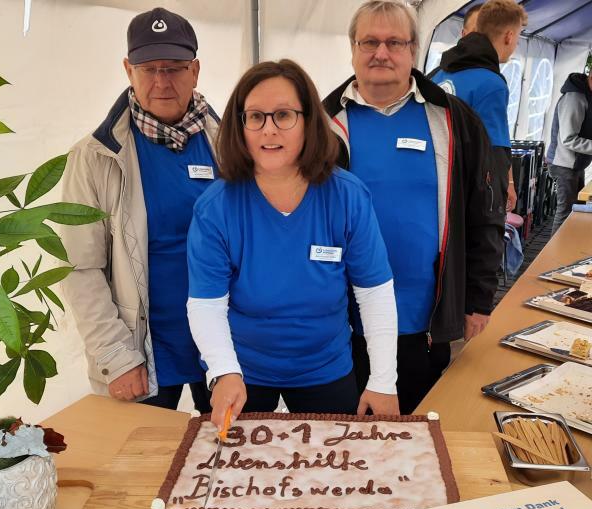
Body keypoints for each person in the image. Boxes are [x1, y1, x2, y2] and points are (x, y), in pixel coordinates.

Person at [187, 59, 400, 429]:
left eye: (284, 115)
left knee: (333, 472)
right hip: (244, 370)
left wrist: (383, 380)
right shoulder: (216, 207)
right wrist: (222, 370)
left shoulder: (347, 196)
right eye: (255, 116)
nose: (269, 130)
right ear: (240, 126)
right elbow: (206, 304)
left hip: (326, 367)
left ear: (308, 123)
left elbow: (374, 293)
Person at [323, 0, 505, 414]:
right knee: (345, 442)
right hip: (340, 322)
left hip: (425, 321)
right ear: (352, 48)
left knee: (415, 437)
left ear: (413, 49)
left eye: (394, 42)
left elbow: (485, 213)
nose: (381, 53)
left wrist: (478, 299)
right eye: (369, 41)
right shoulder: (322, 123)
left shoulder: (452, 120)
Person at [58, 7, 219, 412]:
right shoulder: (95, 157)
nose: (162, 81)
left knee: (229, 465)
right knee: (141, 466)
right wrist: (115, 358)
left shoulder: (230, 143)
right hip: (140, 353)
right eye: (149, 69)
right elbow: (79, 268)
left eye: (175, 68)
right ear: (129, 70)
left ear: (195, 71)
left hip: (223, 349)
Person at [431, 0, 527, 214]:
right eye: (518, 38)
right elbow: (495, 155)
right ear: (509, 36)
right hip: (465, 197)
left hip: (434, 186)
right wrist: (498, 203)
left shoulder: (437, 74)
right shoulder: (492, 84)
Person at [547, 70, 592, 235]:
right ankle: (553, 256)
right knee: (565, 211)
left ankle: (565, 249)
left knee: (575, 208)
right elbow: (568, 139)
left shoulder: (586, 95)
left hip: (574, 163)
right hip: (563, 164)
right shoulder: (575, 98)